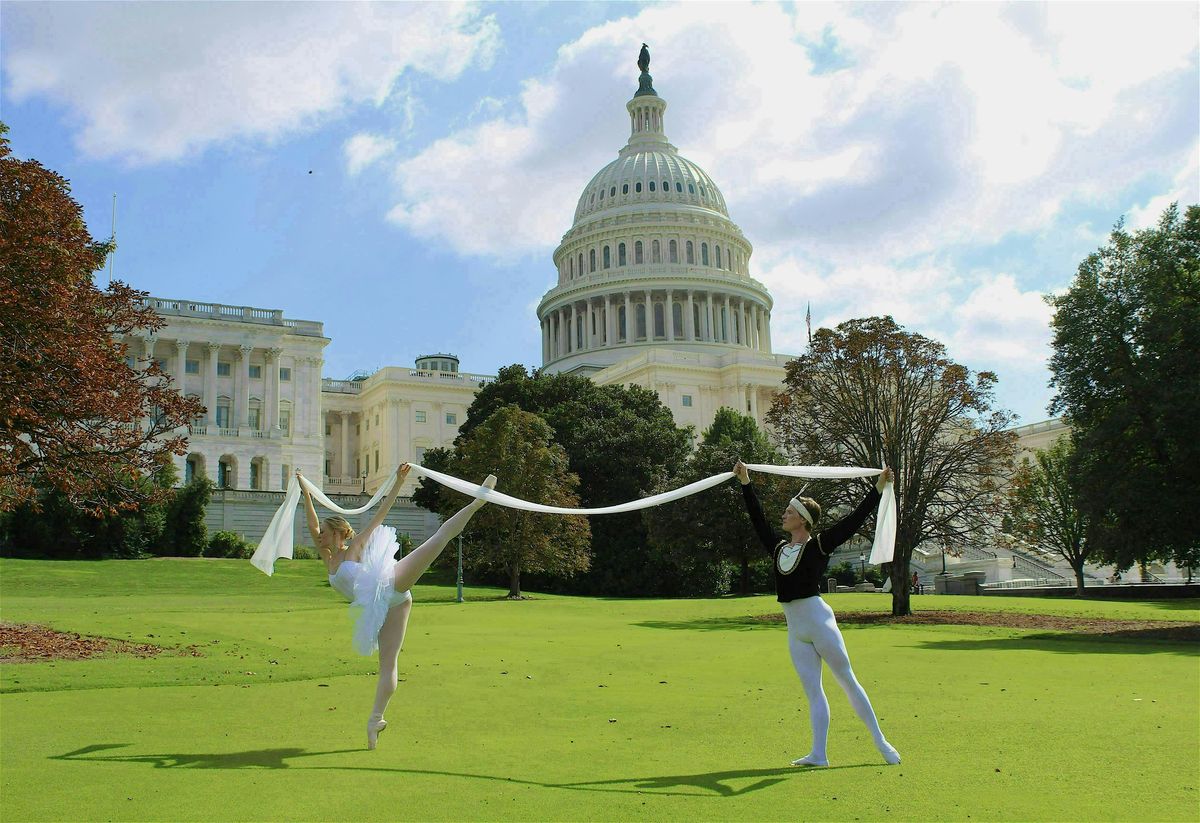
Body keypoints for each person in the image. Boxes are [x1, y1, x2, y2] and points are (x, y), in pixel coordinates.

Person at [300, 464, 497, 749]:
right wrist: (305, 491)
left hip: (393, 585)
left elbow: (380, 515)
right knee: (388, 665)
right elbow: (312, 525)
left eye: (325, 533)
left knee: (439, 538)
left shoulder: (354, 547)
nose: (320, 536)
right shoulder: (328, 557)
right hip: (385, 606)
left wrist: (399, 482)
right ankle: (375, 721)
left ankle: (477, 502)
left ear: (338, 533)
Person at [734, 460, 901, 767]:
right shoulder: (779, 549)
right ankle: (819, 754)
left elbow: (852, 521)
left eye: (789, 512)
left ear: (803, 520)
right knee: (813, 692)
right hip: (795, 630)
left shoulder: (818, 546)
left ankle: (881, 742)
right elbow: (758, 521)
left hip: (819, 623)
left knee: (847, 681)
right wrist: (745, 483)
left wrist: (878, 488)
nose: (784, 515)